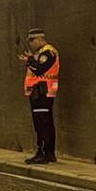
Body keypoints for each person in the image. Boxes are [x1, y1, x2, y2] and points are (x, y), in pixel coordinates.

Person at [18, 28, 59, 164]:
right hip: (42, 90)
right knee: (46, 123)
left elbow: (40, 69)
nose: (31, 44)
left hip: (41, 91)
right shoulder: (42, 53)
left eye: (32, 40)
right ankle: (49, 153)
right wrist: (30, 59)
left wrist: (29, 61)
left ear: (40, 39)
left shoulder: (48, 53)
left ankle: (41, 153)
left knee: (41, 123)